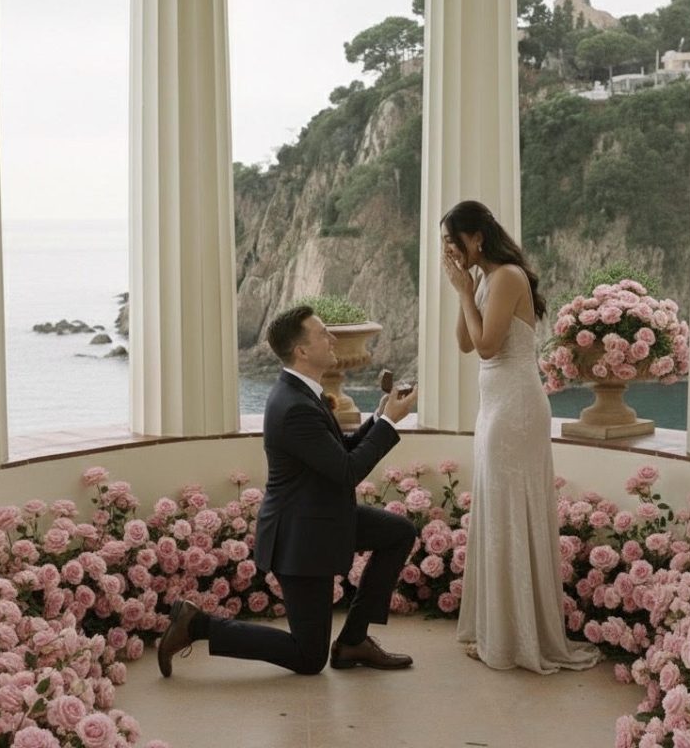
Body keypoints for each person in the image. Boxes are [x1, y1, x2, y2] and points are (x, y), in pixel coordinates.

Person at [157, 304, 418, 678]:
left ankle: (353, 640)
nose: (332, 339)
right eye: (322, 334)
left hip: (322, 518)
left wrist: (377, 417)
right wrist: (391, 423)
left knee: (398, 532)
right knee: (309, 658)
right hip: (300, 537)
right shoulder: (294, 405)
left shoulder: (302, 392)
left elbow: (337, 452)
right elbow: (347, 471)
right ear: (302, 351)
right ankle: (196, 624)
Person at [441, 200, 599, 674]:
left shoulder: (507, 276)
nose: (448, 249)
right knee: (496, 509)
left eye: (453, 240)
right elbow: (466, 342)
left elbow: (488, 346)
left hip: (516, 408)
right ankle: (499, 630)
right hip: (496, 407)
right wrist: (463, 291)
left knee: (512, 509)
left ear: (476, 238)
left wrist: (466, 293)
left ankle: (516, 638)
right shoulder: (487, 281)